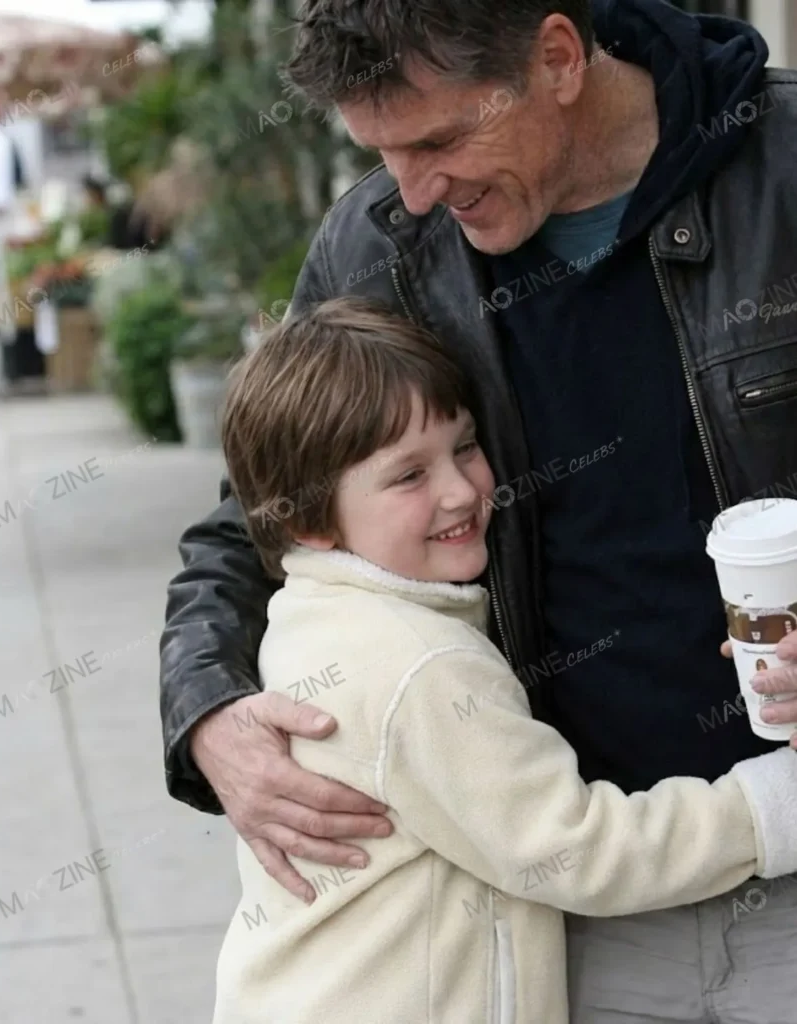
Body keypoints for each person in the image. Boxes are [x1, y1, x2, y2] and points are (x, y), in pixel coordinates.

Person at [160, 0, 797, 1019]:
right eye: (382, 152)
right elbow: (260, 514)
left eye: (440, 139)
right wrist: (206, 710)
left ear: (555, 58)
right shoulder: (379, 242)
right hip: (558, 928)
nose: (411, 192)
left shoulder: (783, 168)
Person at [211, 296, 797, 1024]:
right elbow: (573, 848)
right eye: (407, 476)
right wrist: (772, 805)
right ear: (303, 517)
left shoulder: (322, 614)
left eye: (462, 446)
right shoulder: (415, 662)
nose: (460, 490)